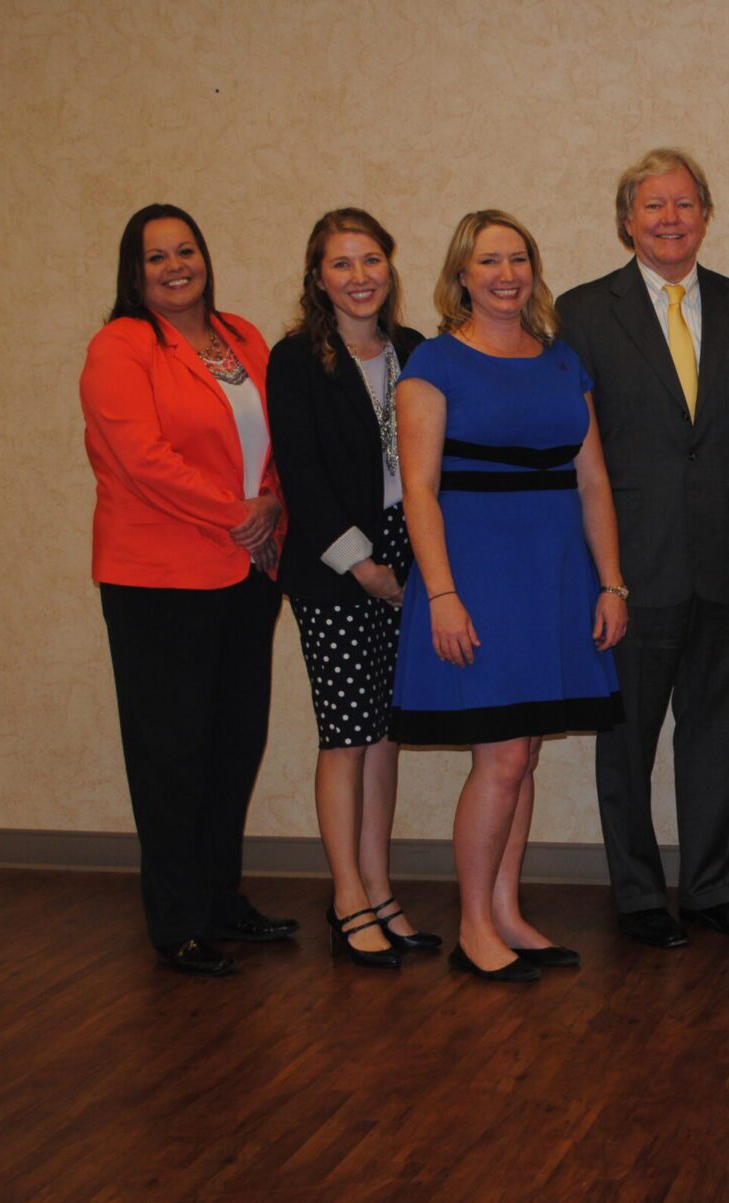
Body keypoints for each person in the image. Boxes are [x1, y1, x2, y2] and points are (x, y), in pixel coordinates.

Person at [556, 148, 729, 949]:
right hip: (631, 568)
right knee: (626, 743)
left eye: (684, 204)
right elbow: (576, 452)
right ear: (627, 221)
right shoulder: (584, 313)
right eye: (653, 205)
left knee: (714, 738)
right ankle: (637, 895)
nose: (670, 219)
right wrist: (603, 575)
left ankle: (713, 889)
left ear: (706, 216)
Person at [392, 209, 628, 983]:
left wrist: (611, 583)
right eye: (489, 260)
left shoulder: (562, 361)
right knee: (499, 757)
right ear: (462, 274)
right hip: (476, 580)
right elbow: (419, 490)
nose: (506, 274)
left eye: (518, 258)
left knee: (522, 753)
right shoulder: (433, 362)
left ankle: (504, 911)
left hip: (553, 579)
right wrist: (442, 594)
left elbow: (594, 482)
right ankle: (473, 927)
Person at [79, 203, 296, 978]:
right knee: (172, 753)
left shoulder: (243, 337)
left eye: (186, 250)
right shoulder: (121, 345)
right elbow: (141, 459)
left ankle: (219, 900)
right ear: (134, 272)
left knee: (234, 742)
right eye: (156, 256)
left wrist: (271, 503)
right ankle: (176, 920)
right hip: (159, 580)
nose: (175, 266)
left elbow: (284, 435)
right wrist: (238, 512)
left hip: (249, 570)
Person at [267, 208, 439, 969]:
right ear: (318, 277)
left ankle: (381, 888)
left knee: (386, 733)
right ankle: (346, 899)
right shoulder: (296, 359)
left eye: (371, 259)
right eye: (341, 263)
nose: (359, 276)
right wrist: (365, 566)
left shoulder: (415, 349)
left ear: (389, 267)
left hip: (409, 553)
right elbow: (301, 476)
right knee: (346, 736)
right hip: (336, 565)